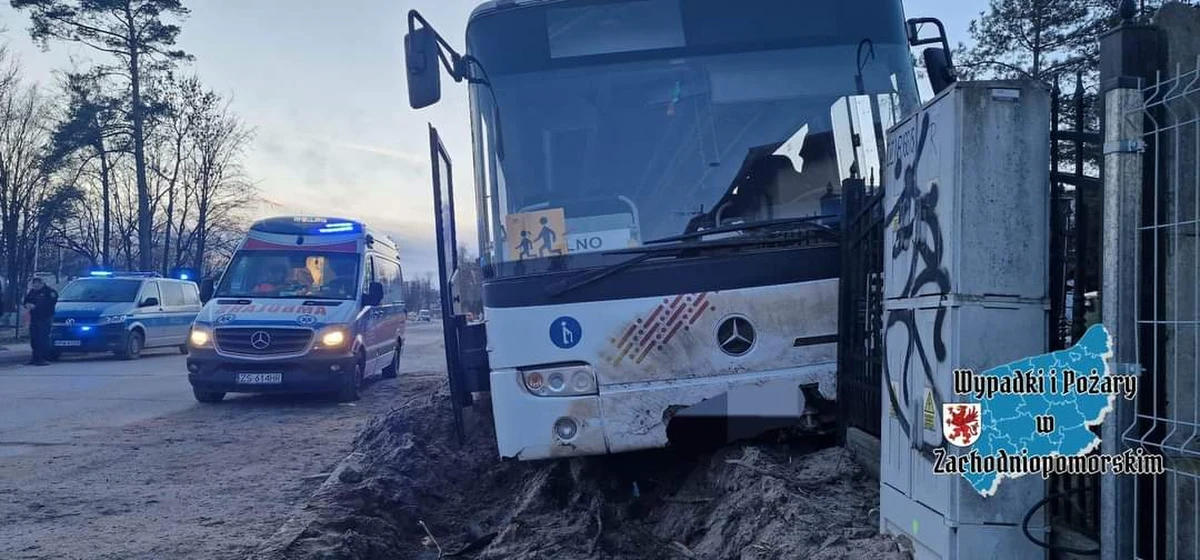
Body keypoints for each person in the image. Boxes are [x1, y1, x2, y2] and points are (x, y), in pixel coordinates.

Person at [23, 277, 57, 366]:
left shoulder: (49, 292)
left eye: (37, 283)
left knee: (42, 339)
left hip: (45, 318)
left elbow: (50, 303)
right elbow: (26, 300)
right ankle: (34, 358)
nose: (36, 285)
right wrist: (27, 304)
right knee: (34, 339)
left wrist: (36, 306)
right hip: (34, 318)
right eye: (34, 283)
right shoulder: (32, 292)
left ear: (42, 283)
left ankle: (42, 358)